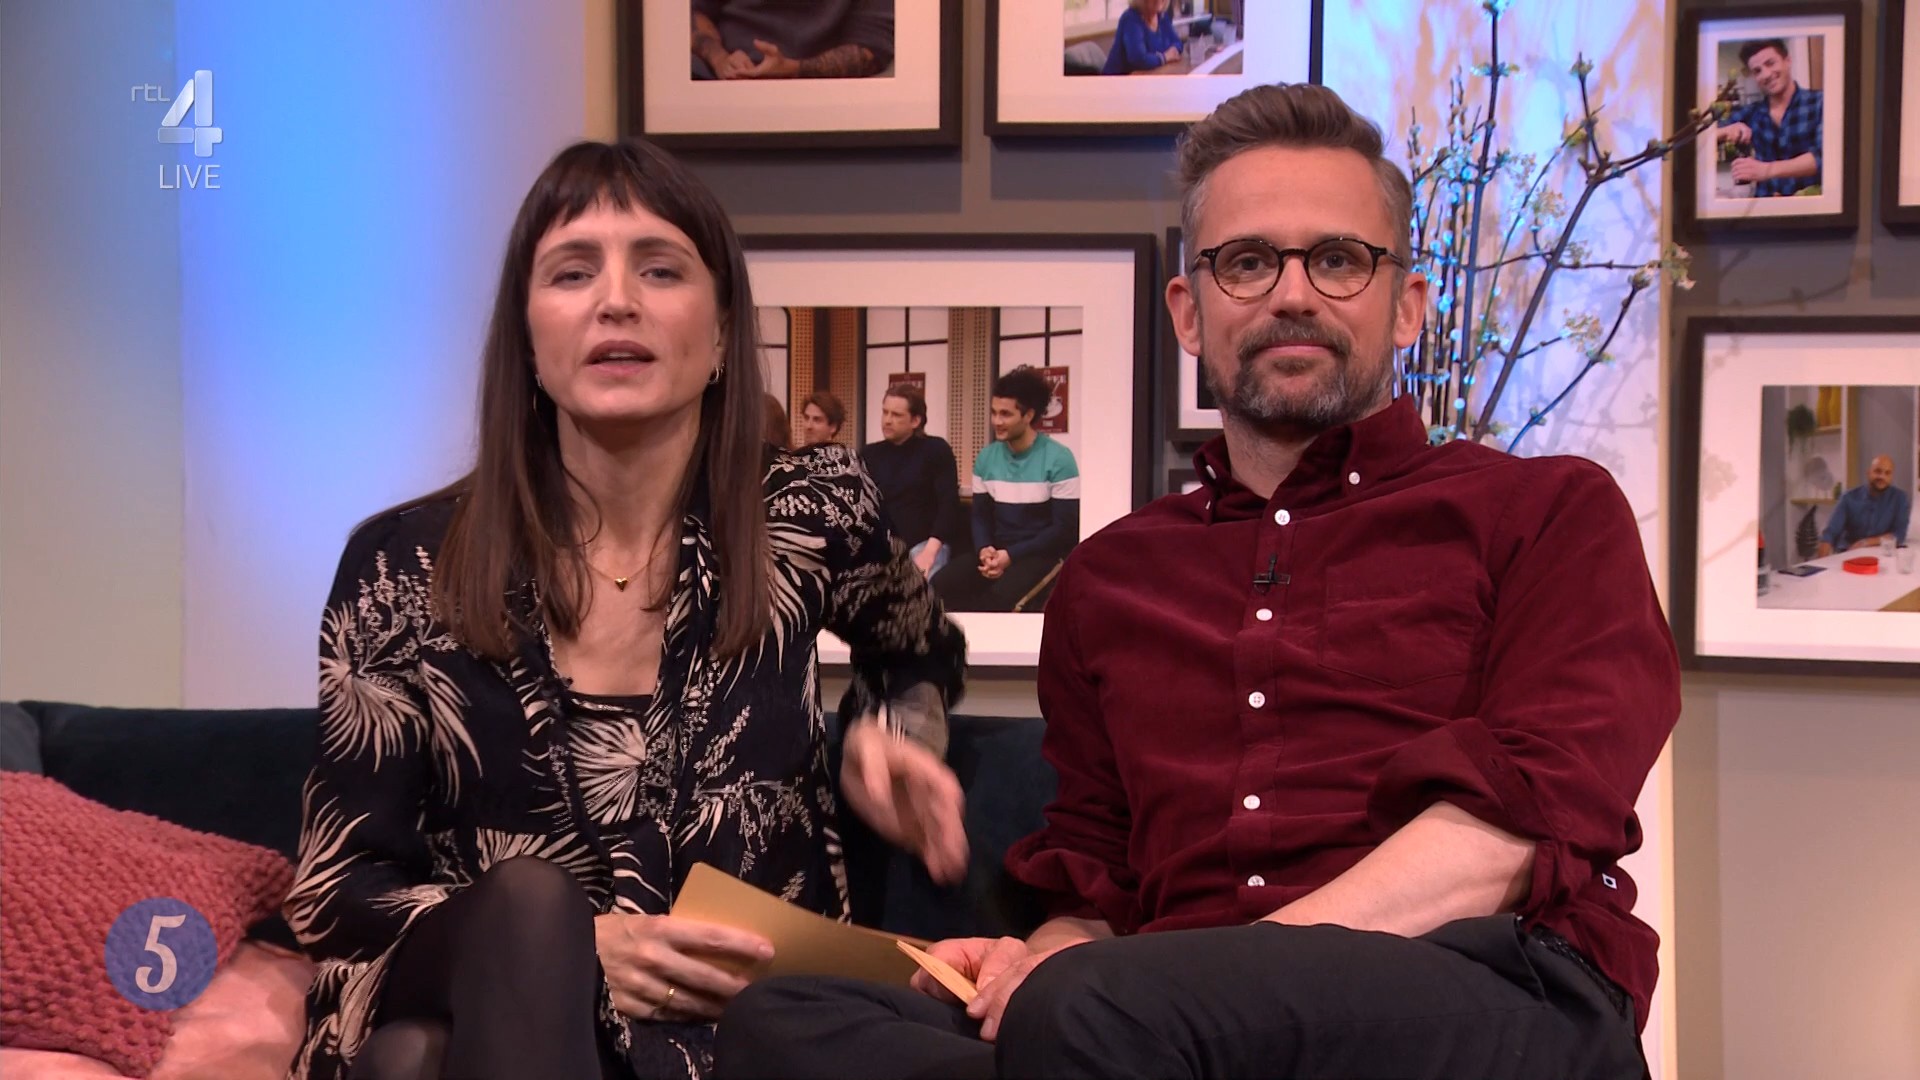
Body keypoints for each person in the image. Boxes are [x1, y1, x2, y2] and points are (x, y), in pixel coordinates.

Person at [715, 83, 1679, 1080]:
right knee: (786, 1021)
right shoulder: (1110, 580)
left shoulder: (1548, 511)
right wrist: (1035, 960)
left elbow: (1519, 826)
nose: (1293, 294)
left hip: (1481, 986)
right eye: (1248, 262)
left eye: (1338, 259)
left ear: (1406, 307)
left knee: (1094, 1012)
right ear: (1189, 310)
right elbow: (1101, 885)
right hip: (1143, 1022)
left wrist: (1177, 981)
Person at [284, 139, 970, 1080]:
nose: (616, 300)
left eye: (660, 269)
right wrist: (571, 956)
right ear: (528, 339)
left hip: (747, 1040)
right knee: (519, 926)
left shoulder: (813, 513)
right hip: (492, 1011)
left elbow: (919, 654)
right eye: (573, 273)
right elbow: (342, 888)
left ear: (721, 334)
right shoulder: (401, 564)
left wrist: (894, 734)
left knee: (418, 1062)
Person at [931, 368, 1080, 613]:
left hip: (1042, 554)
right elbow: (980, 515)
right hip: (996, 551)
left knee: (997, 602)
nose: (997, 421)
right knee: (938, 587)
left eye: (1005, 414)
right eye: (994, 412)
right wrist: (984, 549)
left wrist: (1010, 555)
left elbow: (1063, 529)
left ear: (1028, 415)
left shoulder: (1059, 459)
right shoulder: (986, 458)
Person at [861, 385, 964, 578]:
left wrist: (929, 553)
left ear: (915, 420)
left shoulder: (936, 450)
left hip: (925, 545)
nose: (887, 420)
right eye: (885, 412)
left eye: (896, 415)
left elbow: (948, 507)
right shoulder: (869, 454)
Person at [1717, 38, 1823, 197]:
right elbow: (1703, 135)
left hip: (1810, 207)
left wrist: (1766, 170)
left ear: (1787, 61)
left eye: (1770, 63)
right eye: (1757, 71)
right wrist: (1726, 130)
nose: (1766, 74)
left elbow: (1823, 157)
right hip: (1764, 208)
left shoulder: (1819, 102)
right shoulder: (1752, 112)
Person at [691, 0, 894, 81]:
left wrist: (792, 69)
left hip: (815, 91)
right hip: (714, 78)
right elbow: (694, 13)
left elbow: (869, 51)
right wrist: (720, 60)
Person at [1817, 453, 1910, 555]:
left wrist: (1865, 542)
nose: (1882, 476)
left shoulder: (1900, 498)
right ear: (1869, 473)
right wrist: (1821, 559)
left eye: (1887, 473)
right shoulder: (1848, 497)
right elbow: (1831, 532)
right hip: (1848, 552)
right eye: (1877, 471)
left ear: (1891, 477)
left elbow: (1899, 534)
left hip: (1880, 554)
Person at [1101, 0, 1183, 76]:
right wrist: (1164, 57)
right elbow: (1138, 59)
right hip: (1116, 82)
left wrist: (1172, 51)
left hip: (1147, 78)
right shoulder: (1131, 18)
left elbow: (1178, 42)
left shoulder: (1162, 17)